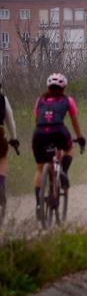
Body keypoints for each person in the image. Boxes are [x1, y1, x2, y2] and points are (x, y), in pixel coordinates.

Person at [31, 73, 84, 195]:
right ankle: (63, 172)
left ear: (48, 87)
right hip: (58, 131)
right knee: (69, 149)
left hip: (39, 133)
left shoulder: (39, 100)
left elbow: (37, 119)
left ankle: (38, 202)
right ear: (63, 88)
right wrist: (79, 137)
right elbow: (74, 121)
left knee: (39, 168)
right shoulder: (68, 100)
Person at [0, 79, 20, 210]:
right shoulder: (2, 98)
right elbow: (10, 119)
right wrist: (14, 138)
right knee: (2, 158)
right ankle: (0, 182)